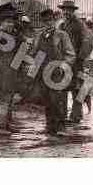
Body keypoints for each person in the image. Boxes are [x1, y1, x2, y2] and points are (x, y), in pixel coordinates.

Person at [32, 8, 76, 136]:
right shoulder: (39, 35)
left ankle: (60, 126)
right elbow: (36, 53)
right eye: (45, 21)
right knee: (46, 99)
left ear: (54, 21)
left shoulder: (62, 35)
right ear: (42, 22)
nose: (48, 23)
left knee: (58, 98)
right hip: (43, 71)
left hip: (57, 72)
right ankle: (50, 126)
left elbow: (71, 54)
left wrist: (63, 66)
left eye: (50, 20)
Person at [0, 8, 23, 136]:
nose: (10, 24)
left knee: (9, 98)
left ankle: (6, 123)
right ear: (1, 23)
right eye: (7, 22)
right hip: (0, 72)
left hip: (11, 71)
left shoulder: (13, 35)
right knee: (2, 98)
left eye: (12, 22)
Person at [57, 0, 86, 124]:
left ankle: (76, 115)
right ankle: (62, 114)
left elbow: (86, 41)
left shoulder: (79, 24)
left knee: (77, 89)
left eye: (68, 10)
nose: (65, 12)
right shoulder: (61, 24)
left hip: (77, 62)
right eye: (64, 10)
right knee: (62, 88)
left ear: (73, 11)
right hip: (64, 61)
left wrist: (80, 57)